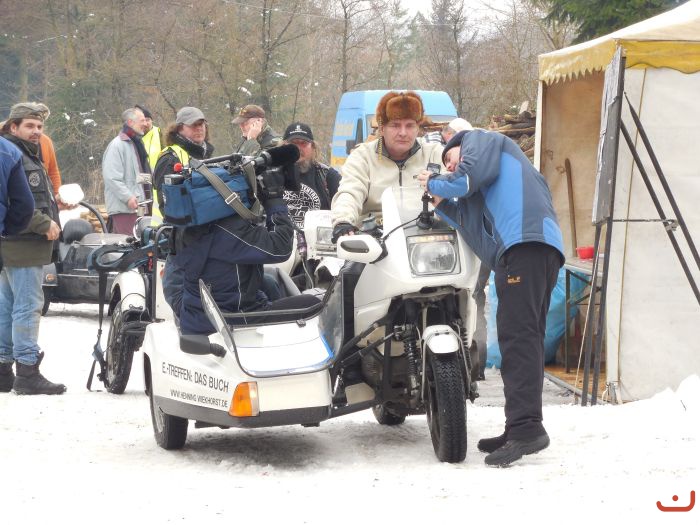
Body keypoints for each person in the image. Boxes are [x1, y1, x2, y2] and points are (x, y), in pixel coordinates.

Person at [417, 128, 564, 467]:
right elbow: (478, 238)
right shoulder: (484, 186)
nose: (450, 167)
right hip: (528, 251)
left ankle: (527, 429)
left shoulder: (481, 141)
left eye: (450, 159)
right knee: (524, 339)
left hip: (526, 244)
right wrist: (442, 205)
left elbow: (466, 178)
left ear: (459, 145)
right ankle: (519, 425)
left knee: (518, 340)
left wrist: (434, 181)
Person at [177, 168, 320, 335]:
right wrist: (274, 199)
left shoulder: (190, 225)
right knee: (313, 304)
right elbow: (280, 248)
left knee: (270, 281)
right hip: (233, 320)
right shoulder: (230, 230)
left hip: (197, 317)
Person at [0, 102, 65, 395]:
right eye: (29, 126)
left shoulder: (24, 153)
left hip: (15, 245)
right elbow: (11, 201)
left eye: (39, 126)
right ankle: (27, 371)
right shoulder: (14, 155)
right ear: (13, 127)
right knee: (27, 306)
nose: (36, 131)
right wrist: (43, 223)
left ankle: (3, 370)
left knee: (7, 307)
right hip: (22, 244)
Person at [331, 90, 444, 240]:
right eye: (395, 125)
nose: (403, 133)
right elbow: (350, 191)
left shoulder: (435, 153)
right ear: (382, 128)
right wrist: (343, 220)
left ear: (418, 128)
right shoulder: (362, 156)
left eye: (410, 125)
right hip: (375, 238)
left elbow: (456, 186)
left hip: (426, 237)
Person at [153, 106, 214, 315]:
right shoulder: (170, 158)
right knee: (180, 294)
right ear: (179, 129)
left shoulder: (206, 155)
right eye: (193, 125)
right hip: (179, 238)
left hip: (204, 238)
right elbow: (168, 205)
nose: (200, 128)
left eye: (202, 124)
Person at [282, 122, 341, 228]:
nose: (298, 148)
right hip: (281, 236)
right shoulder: (270, 174)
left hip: (318, 236)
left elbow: (344, 206)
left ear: (313, 147)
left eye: (303, 143)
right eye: (293, 143)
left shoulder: (328, 175)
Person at [102, 107, 149, 234]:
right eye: (142, 120)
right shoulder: (117, 145)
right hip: (125, 209)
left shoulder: (136, 144)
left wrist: (152, 186)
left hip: (140, 207)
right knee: (128, 242)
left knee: (141, 240)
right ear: (130, 122)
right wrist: (128, 197)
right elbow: (111, 177)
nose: (146, 124)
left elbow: (139, 176)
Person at [136, 104, 162, 170]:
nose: (146, 123)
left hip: (158, 174)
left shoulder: (160, 134)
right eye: (143, 120)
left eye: (147, 120)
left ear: (152, 120)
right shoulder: (133, 138)